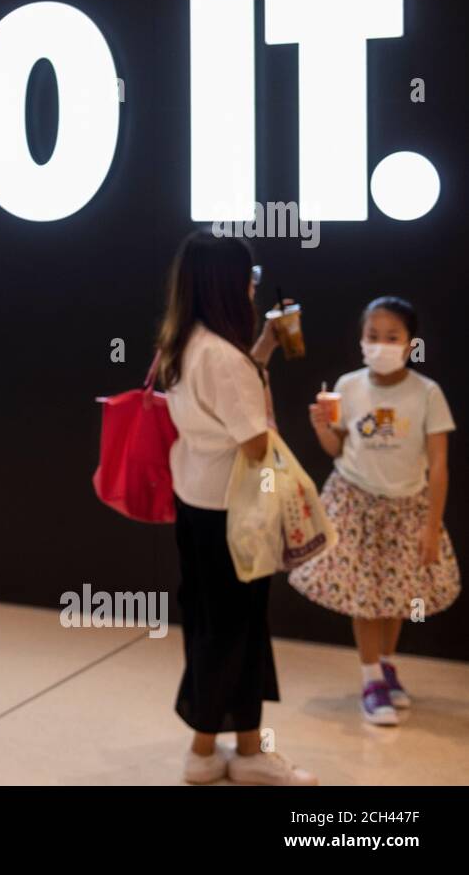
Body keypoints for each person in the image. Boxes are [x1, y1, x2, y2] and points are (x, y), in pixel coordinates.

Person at [156, 231, 316, 785]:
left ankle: (246, 750)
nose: (252, 290)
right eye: (247, 280)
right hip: (236, 511)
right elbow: (252, 441)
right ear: (228, 285)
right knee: (231, 631)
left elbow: (224, 401)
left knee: (221, 626)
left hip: (199, 503)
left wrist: (265, 350)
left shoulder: (183, 343)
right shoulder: (223, 358)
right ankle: (203, 751)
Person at [289, 296, 459, 725]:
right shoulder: (347, 385)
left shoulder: (427, 392)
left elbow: (438, 463)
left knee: (397, 596)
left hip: (407, 506)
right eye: (372, 336)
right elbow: (337, 448)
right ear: (361, 339)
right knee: (365, 595)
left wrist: (431, 524)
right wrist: (322, 428)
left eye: (391, 337)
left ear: (409, 342)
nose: (380, 344)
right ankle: (370, 679)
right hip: (355, 501)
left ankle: (385, 664)